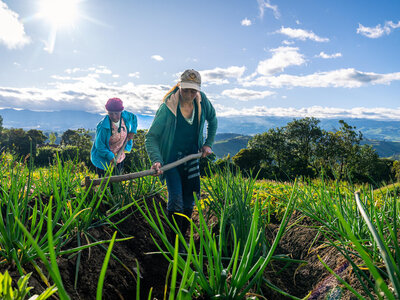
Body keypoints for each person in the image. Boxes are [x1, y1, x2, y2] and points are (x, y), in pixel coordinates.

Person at [145, 69, 217, 238]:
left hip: (191, 156)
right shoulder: (168, 107)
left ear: (198, 90)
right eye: (186, 89)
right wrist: (156, 160)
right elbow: (151, 137)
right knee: (176, 198)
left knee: (189, 199)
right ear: (179, 86)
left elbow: (213, 120)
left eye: (193, 90)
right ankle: (173, 240)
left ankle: (181, 237)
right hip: (171, 159)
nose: (189, 94)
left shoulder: (202, 101)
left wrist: (208, 144)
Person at [91, 97, 137, 178]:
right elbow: (100, 146)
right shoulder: (103, 127)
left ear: (121, 111)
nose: (114, 116)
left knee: (116, 183)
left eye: (116, 113)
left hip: (119, 154)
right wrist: (110, 156)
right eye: (111, 113)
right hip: (103, 159)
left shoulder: (125, 116)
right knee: (105, 184)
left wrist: (132, 131)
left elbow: (134, 118)